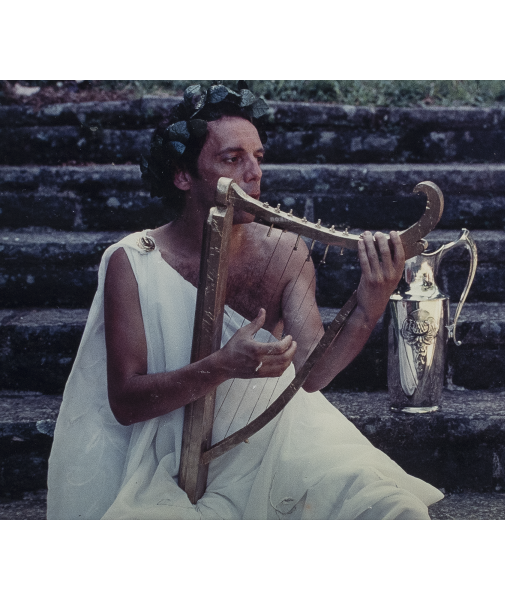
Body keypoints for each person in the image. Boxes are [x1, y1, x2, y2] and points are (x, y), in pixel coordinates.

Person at [47, 82, 443, 519]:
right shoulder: (133, 261)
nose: (254, 174)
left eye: (258, 157)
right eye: (233, 159)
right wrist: (221, 366)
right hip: (170, 459)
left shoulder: (286, 249)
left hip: (282, 440)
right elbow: (125, 403)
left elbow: (313, 373)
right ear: (183, 175)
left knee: (393, 510)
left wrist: (371, 301)